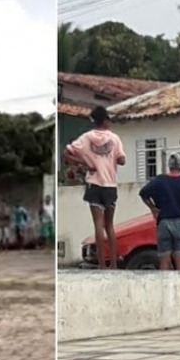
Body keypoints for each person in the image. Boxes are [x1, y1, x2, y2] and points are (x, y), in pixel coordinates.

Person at [64, 105, 126, 269]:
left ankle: (101, 265)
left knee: (98, 225)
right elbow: (122, 160)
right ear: (105, 120)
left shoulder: (86, 138)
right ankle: (112, 263)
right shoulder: (114, 138)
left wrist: (84, 162)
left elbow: (67, 153)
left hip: (94, 184)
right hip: (110, 185)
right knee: (109, 226)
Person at [139, 152, 180, 271]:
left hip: (164, 223)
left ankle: (164, 287)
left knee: (164, 260)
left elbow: (143, 193)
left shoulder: (159, 181)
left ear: (169, 165)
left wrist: (153, 208)